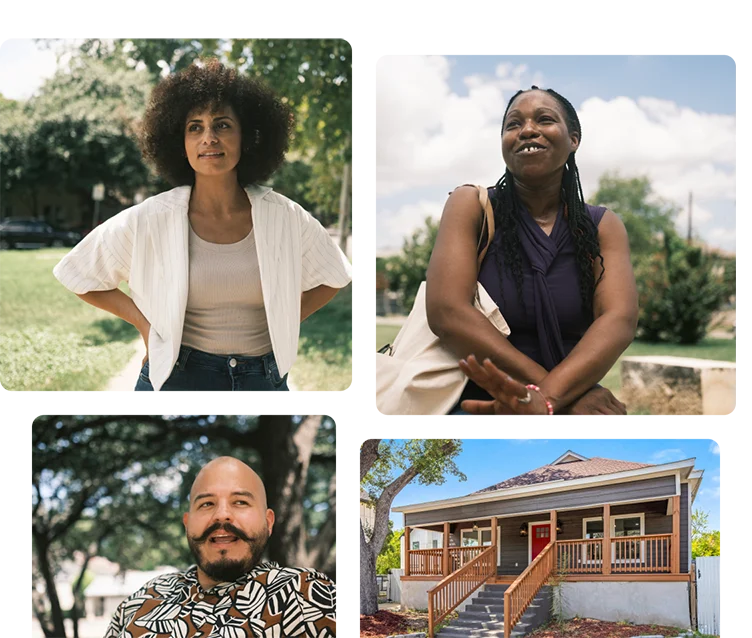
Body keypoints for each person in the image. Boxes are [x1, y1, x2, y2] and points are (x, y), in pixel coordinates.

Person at [53, 59, 351, 392]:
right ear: (179, 142)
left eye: (222, 125)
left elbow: (334, 275)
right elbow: (78, 274)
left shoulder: (284, 216)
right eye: (195, 127)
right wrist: (144, 326)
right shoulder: (150, 218)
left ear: (248, 137)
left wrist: (283, 319)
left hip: (264, 381)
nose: (208, 137)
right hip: (176, 378)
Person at [426, 86, 638, 416]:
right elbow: (447, 313)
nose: (527, 130)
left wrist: (550, 398)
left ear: (573, 140)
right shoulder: (471, 206)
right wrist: (550, 397)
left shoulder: (602, 226)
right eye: (513, 124)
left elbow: (618, 320)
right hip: (479, 397)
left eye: (544, 119)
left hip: (570, 394)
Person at [104, 456, 338, 637]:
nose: (222, 515)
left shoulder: (306, 594)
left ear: (268, 523)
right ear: (187, 524)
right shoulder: (143, 599)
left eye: (240, 502)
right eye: (207, 504)